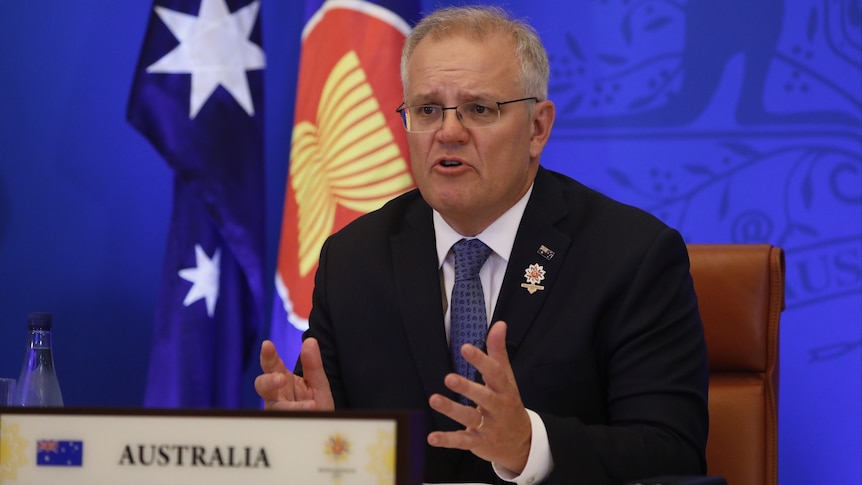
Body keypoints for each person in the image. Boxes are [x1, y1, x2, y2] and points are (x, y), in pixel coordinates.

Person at [255, 5, 709, 484]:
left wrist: (529, 445)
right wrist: (315, 440)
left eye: (479, 109)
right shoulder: (352, 259)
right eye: (427, 110)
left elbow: (672, 452)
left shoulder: (630, 256)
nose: (449, 133)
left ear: (538, 128)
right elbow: (339, 454)